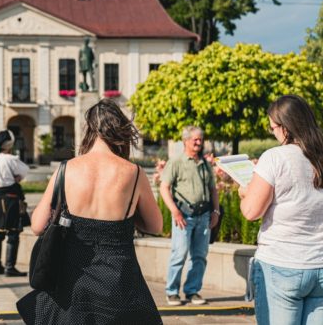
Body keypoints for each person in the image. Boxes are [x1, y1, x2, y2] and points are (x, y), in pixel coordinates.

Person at [16, 99, 162, 324]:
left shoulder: (65, 170)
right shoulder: (133, 173)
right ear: (119, 129)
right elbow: (155, 226)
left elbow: (37, 226)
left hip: (72, 279)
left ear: (89, 129)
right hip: (118, 279)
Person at [239, 95, 323, 325]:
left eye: (273, 127)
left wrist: (244, 193)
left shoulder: (275, 157)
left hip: (283, 265)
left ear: (285, 127)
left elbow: (251, 212)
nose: (272, 132)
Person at [159, 125, 219, 306]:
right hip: (183, 215)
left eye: (201, 139)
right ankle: (172, 292)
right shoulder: (176, 162)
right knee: (179, 254)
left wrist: (215, 211)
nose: (199, 142)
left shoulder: (205, 164)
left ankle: (193, 291)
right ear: (186, 141)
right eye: (195, 139)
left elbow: (213, 189)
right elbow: (164, 188)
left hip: (204, 216)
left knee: (200, 256)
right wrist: (175, 211)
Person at [0, 130, 30, 277]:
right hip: (10, 199)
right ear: (9, 144)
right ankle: (9, 267)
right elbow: (24, 171)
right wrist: (15, 178)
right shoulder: (10, 159)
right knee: (13, 232)